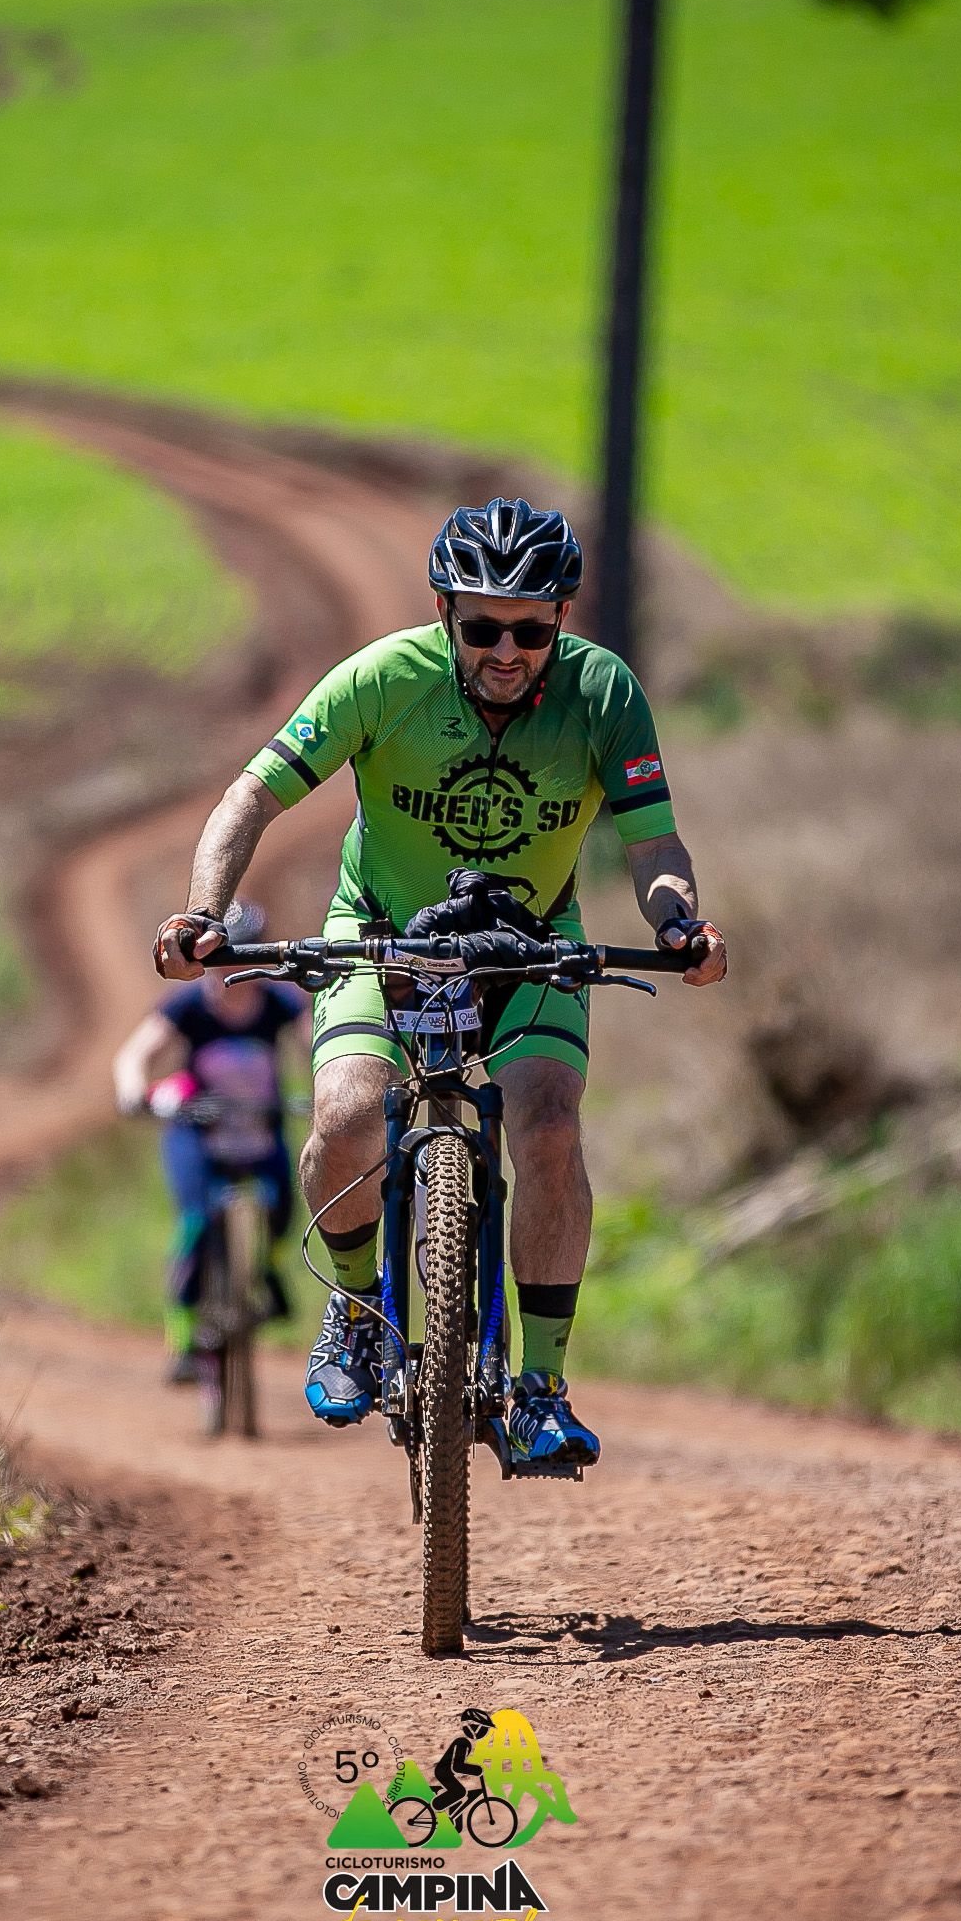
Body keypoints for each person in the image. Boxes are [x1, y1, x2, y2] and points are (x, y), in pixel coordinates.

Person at [153, 498, 729, 1466]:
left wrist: (679, 922)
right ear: (443, 612)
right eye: (483, 627)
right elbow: (252, 795)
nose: (507, 651)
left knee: (549, 1124)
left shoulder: (604, 692)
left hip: (532, 940)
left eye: (532, 631)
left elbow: (654, 842)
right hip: (380, 932)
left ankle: (540, 1388)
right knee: (347, 1115)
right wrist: (205, 911)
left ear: (564, 618)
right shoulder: (383, 678)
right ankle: (356, 1315)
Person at [113, 902, 308, 1384]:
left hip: (261, 1128)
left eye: (244, 959)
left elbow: (314, 1047)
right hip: (196, 1133)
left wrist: (331, 1091)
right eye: (222, 961)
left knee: (284, 1210)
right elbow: (134, 1057)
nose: (232, 974)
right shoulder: (187, 1007)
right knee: (197, 1223)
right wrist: (135, 1093)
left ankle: (268, 1274)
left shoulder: (280, 1006)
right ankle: (183, 1336)